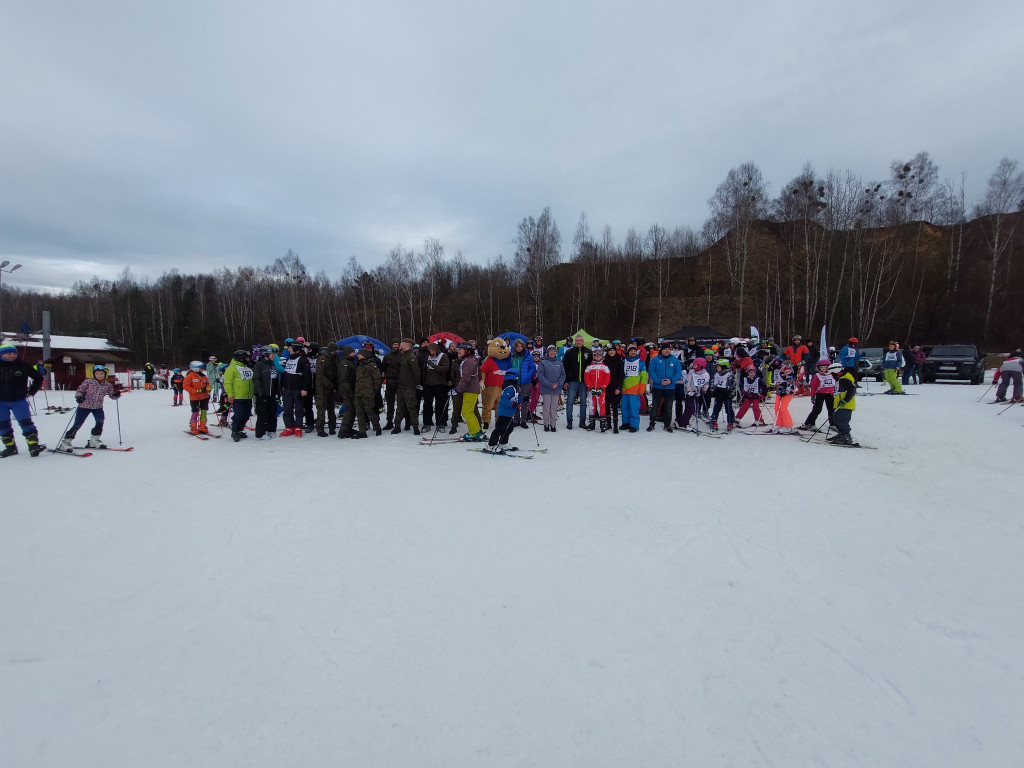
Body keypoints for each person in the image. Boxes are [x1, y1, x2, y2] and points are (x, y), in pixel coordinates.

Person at [56, 363, 122, 450]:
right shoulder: (88, 382)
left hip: (97, 407)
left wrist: (116, 394)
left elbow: (112, 396)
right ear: (94, 374)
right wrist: (79, 397)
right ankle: (66, 442)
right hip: (84, 406)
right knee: (78, 424)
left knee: (100, 421)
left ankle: (94, 440)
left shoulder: (107, 385)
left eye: (101, 374)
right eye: (97, 373)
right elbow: (79, 391)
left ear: (105, 374)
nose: (99, 375)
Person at [0, 341, 45, 457]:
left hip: (18, 401)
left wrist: (31, 391)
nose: (12, 355)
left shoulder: (23, 365)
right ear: (2, 354)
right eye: (9, 353)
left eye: (14, 353)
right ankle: (10, 448)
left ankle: (33, 446)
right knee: (3, 425)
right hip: (1, 402)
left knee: (26, 423)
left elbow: (38, 378)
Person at [647, 342, 681, 432]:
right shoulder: (655, 360)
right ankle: (652, 423)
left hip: (670, 387)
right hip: (658, 387)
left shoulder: (675, 360)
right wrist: (659, 381)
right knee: (655, 406)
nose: (667, 351)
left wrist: (671, 380)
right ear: (661, 350)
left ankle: (667, 424)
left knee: (668, 407)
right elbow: (651, 372)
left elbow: (678, 372)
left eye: (669, 349)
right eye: (665, 349)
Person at [280, 341, 312, 437]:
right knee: (287, 408)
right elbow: (285, 374)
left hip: (298, 389)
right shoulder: (289, 359)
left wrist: (305, 389)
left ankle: (298, 426)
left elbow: (307, 375)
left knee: (299, 409)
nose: (288, 350)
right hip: (287, 389)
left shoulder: (303, 360)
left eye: (290, 348)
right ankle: (289, 427)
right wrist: (282, 386)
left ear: (296, 349)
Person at [562, 335, 593, 430]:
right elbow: (565, 368)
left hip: (584, 381)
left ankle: (582, 421)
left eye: (580, 340)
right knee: (570, 401)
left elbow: (591, 367)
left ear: (583, 341)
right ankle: (569, 421)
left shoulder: (588, 352)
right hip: (572, 381)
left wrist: (590, 382)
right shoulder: (569, 352)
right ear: (575, 341)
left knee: (583, 402)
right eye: (577, 340)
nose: (579, 342)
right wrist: (565, 381)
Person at [484, 370, 520, 451]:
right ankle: (491, 445)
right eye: (517, 376)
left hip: (509, 413)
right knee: (500, 429)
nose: (518, 378)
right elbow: (504, 399)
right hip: (504, 412)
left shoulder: (514, 386)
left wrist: (522, 399)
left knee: (509, 428)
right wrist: (512, 404)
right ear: (513, 376)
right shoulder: (509, 387)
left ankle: (503, 443)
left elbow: (515, 398)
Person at [454, 342, 484, 441]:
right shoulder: (467, 360)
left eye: (461, 349)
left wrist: (457, 388)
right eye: (458, 349)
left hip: (471, 389)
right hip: (469, 389)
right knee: (468, 412)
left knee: (467, 412)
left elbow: (465, 378)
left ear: (467, 351)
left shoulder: (468, 362)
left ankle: (475, 432)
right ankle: (475, 431)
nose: (458, 351)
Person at [353, 348, 384, 438]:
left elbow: (378, 379)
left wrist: (373, 390)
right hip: (358, 392)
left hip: (368, 393)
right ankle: (362, 431)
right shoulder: (359, 365)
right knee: (359, 413)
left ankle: (377, 427)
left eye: (359, 354)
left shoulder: (372, 365)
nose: (357, 355)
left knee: (370, 411)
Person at [392, 338, 421, 435]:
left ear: (407, 345)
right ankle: (397, 426)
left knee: (411, 406)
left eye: (402, 343)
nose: (400, 345)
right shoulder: (403, 356)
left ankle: (415, 427)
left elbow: (416, 372)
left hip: (409, 386)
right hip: (401, 386)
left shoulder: (411, 356)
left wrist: (416, 383)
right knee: (399, 407)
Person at [799, 359, 837, 431]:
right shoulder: (817, 376)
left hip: (830, 394)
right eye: (821, 367)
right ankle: (809, 423)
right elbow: (813, 387)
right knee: (817, 409)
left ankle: (833, 423)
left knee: (831, 409)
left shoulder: (832, 375)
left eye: (825, 367)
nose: (823, 369)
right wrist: (813, 396)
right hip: (820, 394)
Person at [252, 346, 281, 439]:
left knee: (272, 413)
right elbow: (256, 379)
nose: (274, 356)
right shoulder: (259, 365)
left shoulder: (272, 365)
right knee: (262, 414)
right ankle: (261, 433)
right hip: (263, 394)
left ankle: (271, 430)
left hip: (271, 394)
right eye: (272, 354)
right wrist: (259, 391)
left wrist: (278, 391)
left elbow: (275, 379)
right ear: (266, 354)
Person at [507, 338, 537, 428]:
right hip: (514, 381)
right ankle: (516, 420)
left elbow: (533, 368)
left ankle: (523, 420)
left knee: (524, 401)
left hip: (525, 382)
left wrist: (528, 376)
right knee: (515, 400)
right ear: (515, 347)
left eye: (521, 346)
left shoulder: (528, 356)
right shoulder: (511, 356)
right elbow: (508, 367)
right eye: (518, 346)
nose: (519, 348)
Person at [619, 344, 648, 433]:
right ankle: (626, 423)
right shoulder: (623, 362)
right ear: (628, 352)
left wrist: (642, 389)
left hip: (635, 390)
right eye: (631, 350)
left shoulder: (640, 362)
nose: (633, 352)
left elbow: (643, 377)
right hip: (625, 389)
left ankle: (634, 425)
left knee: (634, 408)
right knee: (624, 407)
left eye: (634, 351)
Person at [536, 345, 565, 432]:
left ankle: (553, 424)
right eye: (550, 351)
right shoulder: (543, 363)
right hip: (546, 388)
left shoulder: (560, 363)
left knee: (554, 407)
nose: (552, 353)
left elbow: (563, 375)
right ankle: (546, 423)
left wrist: (558, 384)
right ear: (547, 353)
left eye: (554, 351)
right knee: (546, 407)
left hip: (556, 388)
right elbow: (540, 375)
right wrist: (549, 384)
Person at [422, 343, 450, 429]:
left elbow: (445, 369)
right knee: (427, 404)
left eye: (433, 351)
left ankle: (440, 422)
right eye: (430, 351)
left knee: (439, 405)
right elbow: (425, 370)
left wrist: (433, 365)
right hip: (428, 384)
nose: (432, 353)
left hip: (439, 384)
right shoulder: (428, 356)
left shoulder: (443, 356)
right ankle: (427, 423)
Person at [584, 347, 612, 432]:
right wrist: (590, 387)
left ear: (601, 356)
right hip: (591, 390)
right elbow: (586, 377)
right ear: (593, 356)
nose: (597, 357)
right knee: (592, 406)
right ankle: (592, 424)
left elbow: (607, 379)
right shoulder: (589, 367)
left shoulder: (605, 367)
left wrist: (602, 387)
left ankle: (602, 424)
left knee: (601, 406)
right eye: (595, 355)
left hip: (601, 391)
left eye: (599, 355)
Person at [679, 357, 710, 431]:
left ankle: (684, 421)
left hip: (698, 393)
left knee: (694, 409)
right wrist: (690, 392)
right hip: (691, 394)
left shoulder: (705, 374)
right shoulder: (691, 373)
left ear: (701, 366)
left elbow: (706, 383)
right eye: (694, 365)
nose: (694, 366)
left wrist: (704, 390)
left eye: (696, 365)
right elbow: (688, 383)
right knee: (690, 409)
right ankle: (683, 423)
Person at [314, 343, 339, 437]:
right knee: (321, 409)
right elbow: (320, 375)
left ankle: (332, 427)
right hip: (322, 388)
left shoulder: (333, 359)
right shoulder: (323, 359)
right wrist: (329, 384)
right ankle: (320, 429)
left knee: (331, 408)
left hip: (330, 387)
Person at [182, 360, 212, 435]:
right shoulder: (190, 377)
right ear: (196, 368)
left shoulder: (203, 376)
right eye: (201, 368)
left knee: (204, 411)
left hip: (204, 397)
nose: (202, 369)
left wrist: (208, 387)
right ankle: (193, 426)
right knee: (195, 412)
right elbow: (185, 386)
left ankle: (202, 426)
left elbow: (207, 383)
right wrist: (196, 390)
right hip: (195, 398)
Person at [830, 363, 857, 445]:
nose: (832, 376)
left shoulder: (845, 379)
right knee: (836, 420)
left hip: (845, 405)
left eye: (833, 374)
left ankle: (846, 437)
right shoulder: (841, 378)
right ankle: (840, 434)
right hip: (839, 404)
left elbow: (852, 390)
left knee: (843, 421)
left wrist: (845, 400)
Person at [336, 345, 358, 438]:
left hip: (350, 389)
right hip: (347, 390)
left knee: (352, 409)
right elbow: (344, 379)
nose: (355, 354)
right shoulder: (345, 363)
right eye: (353, 352)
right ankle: (344, 430)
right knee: (349, 409)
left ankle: (348, 428)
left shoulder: (350, 361)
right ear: (349, 353)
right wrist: (348, 390)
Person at [709, 358, 736, 432]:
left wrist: (731, 393)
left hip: (727, 393)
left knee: (728, 408)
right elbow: (713, 382)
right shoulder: (716, 374)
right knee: (717, 407)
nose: (717, 368)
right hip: (719, 392)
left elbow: (733, 385)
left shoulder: (729, 374)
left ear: (723, 367)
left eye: (718, 366)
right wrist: (712, 390)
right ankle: (714, 420)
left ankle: (731, 421)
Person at [603, 344, 624, 434]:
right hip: (606, 387)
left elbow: (621, 376)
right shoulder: (605, 361)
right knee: (606, 406)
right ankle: (608, 424)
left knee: (614, 406)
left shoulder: (619, 361)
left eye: (613, 350)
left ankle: (615, 425)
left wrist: (618, 387)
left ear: (616, 351)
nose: (612, 352)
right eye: (610, 350)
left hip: (615, 387)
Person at [381, 339, 402, 430]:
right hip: (389, 383)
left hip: (400, 382)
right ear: (392, 345)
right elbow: (383, 368)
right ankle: (389, 421)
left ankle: (401, 422)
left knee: (401, 404)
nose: (396, 346)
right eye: (394, 344)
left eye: (398, 344)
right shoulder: (387, 356)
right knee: (390, 403)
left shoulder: (402, 356)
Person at [773, 363, 797, 434]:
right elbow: (777, 381)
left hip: (787, 392)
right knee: (776, 408)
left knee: (783, 408)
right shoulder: (775, 370)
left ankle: (788, 426)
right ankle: (780, 424)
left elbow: (791, 381)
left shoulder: (786, 369)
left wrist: (787, 391)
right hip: (779, 391)